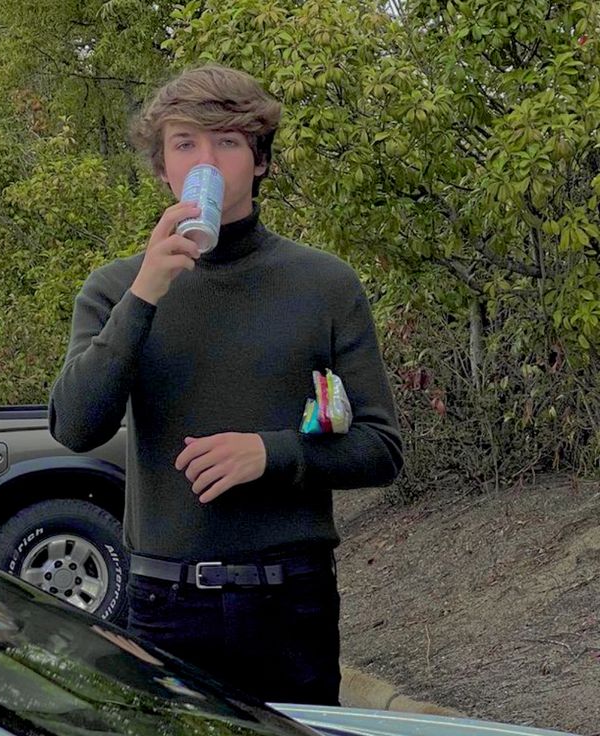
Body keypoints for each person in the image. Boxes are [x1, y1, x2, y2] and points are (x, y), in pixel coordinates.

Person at [49, 63, 403, 705]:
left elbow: (381, 449)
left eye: (228, 142)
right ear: (163, 168)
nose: (205, 161)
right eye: (186, 144)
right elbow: (76, 426)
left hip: (292, 603)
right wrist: (146, 294)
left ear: (259, 161)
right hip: (165, 603)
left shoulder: (323, 285)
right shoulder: (114, 288)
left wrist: (269, 453)